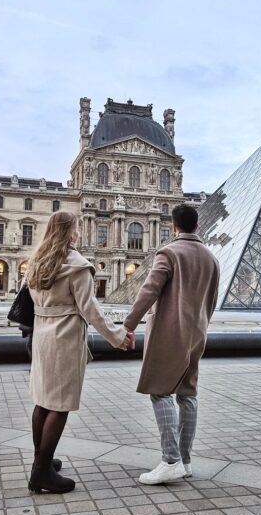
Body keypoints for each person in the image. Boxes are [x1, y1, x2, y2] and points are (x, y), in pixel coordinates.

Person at [26, 211, 134, 494]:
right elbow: (91, 309)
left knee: (42, 401)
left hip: (41, 335)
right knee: (60, 404)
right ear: (70, 232)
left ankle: (42, 461)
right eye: (77, 228)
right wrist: (118, 336)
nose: (81, 233)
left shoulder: (37, 261)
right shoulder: (77, 265)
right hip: (65, 337)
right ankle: (41, 473)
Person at [123, 204, 219, 485]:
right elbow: (211, 301)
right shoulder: (211, 258)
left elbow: (149, 290)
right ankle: (185, 460)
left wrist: (128, 324)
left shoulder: (170, 253)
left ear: (174, 226)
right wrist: (201, 324)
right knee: (187, 394)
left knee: (160, 391)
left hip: (170, 332)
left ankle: (170, 460)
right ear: (197, 226)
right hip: (197, 332)